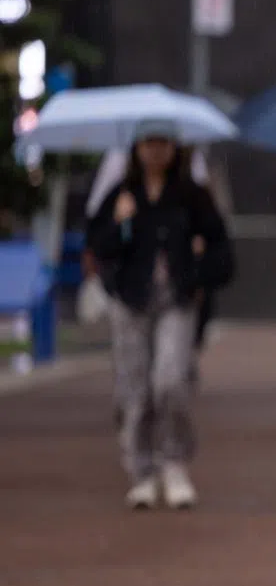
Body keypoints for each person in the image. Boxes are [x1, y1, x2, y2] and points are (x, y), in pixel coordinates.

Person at [87, 120, 235, 510]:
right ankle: (141, 470)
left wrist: (199, 272)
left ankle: (174, 461)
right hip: (131, 301)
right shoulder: (121, 195)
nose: (155, 150)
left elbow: (222, 250)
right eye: (147, 143)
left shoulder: (191, 196)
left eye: (163, 142)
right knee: (133, 389)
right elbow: (99, 246)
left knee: (170, 380)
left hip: (176, 301)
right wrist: (120, 223)